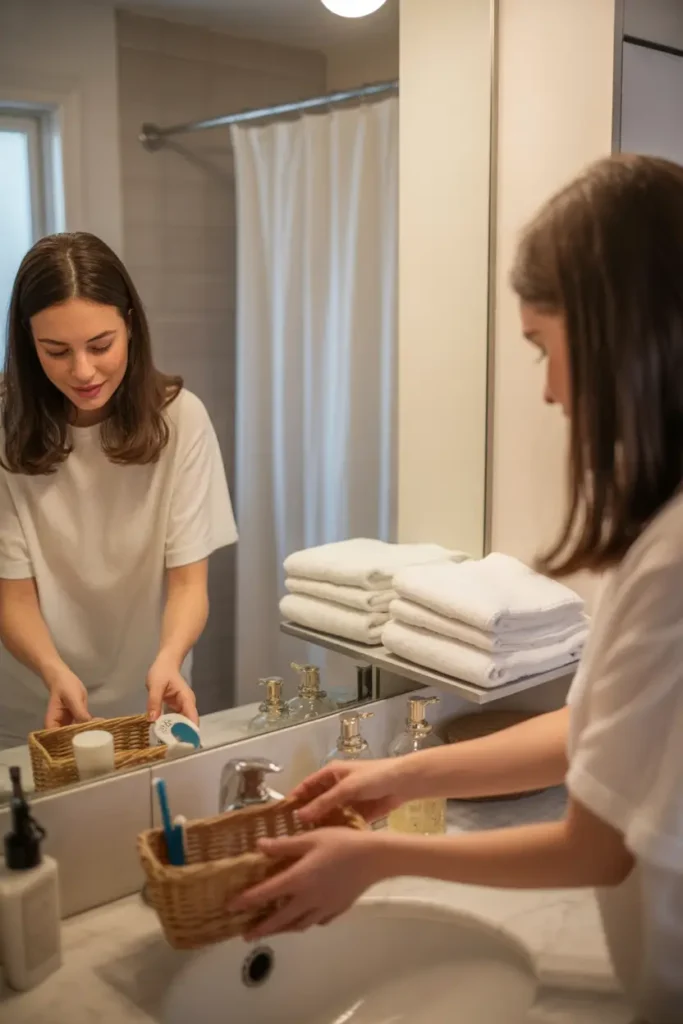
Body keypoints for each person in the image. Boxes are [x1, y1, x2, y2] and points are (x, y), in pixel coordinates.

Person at [230, 155, 683, 1023]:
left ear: (615, 334)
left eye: (543, 346)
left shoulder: (671, 559)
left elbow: (596, 849)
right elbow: (592, 737)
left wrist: (378, 858)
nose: (547, 390)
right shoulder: (665, 533)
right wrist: (402, 776)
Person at [0, 232, 237, 749]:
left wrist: (170, 657)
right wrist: (52, 670)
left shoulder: (180, 420)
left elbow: (188, 584)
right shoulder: (5, 429)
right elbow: (12, 596)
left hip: (150, 695)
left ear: (130, 325)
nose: (83, 371)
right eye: (56, 351)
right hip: (36, 703)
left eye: (100, 345)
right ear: (27, 342)